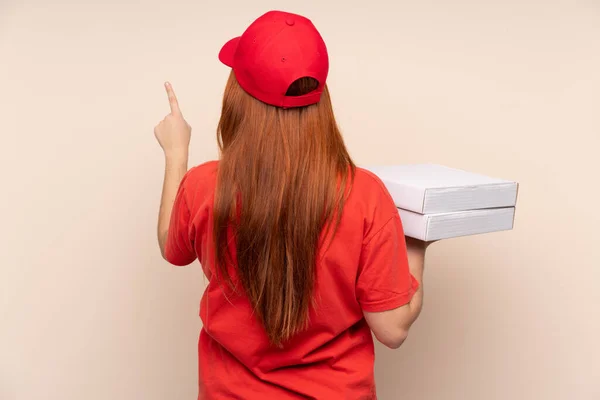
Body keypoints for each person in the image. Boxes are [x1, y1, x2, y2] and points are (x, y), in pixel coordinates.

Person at [154, 10, 431, 400]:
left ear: (238, 96)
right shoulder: (366, 195)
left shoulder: (202, 185)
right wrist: (418, 242)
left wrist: (175, 153)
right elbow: (393, 328)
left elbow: (172, 246)